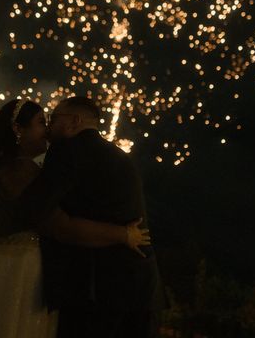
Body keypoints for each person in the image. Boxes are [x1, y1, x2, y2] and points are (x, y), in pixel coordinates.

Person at [0, 99, 150, 338]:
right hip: (16, 271)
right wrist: (123, 234)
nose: (47, 132)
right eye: (41, 123)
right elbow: (58, 225)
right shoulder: (23, 171)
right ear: (18, 130)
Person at [22, 96, 164, 338]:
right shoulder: (117, 155)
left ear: (74, 121)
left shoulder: (68, 151)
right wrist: (122, 235)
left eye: (53, 119)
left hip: (96, 293)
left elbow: (35, 210)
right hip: (141, 289)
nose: (48, 127)